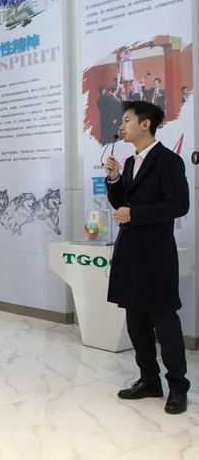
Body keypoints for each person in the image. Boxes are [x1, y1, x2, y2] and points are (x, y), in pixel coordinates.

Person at [104, 101, 190, 415]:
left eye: (127, 120)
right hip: (130, 252)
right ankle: (149, 380)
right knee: (136, 321)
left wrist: (135, 214)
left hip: (156, 255)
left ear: (145, 124)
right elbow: (121, 205)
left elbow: (178, 205)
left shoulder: (168, 161)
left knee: (165, 323)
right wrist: (115, 179)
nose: (121, 126)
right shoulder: (129, 162)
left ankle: (178, 387)